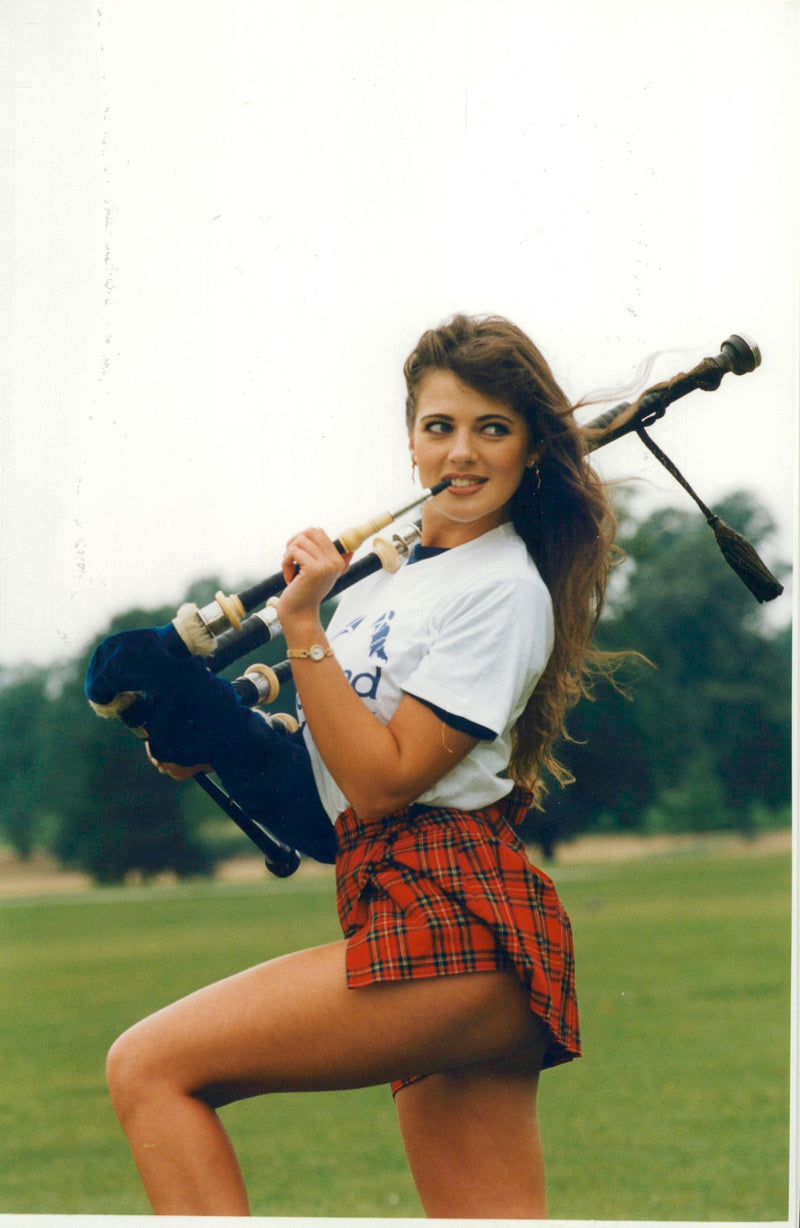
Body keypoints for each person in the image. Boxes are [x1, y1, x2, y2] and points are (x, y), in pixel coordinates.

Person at [105, 313, 618, 1218]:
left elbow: (382, 784)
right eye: (440, 427)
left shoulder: (504, 589)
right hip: (401, 907)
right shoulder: (382, 581)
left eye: (493, 429)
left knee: (149, 1068)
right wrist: (220, 739)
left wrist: (303, 627)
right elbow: (332, 762)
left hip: (456, 918)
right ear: (411, 441)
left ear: (532, 448)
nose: (462, 453)